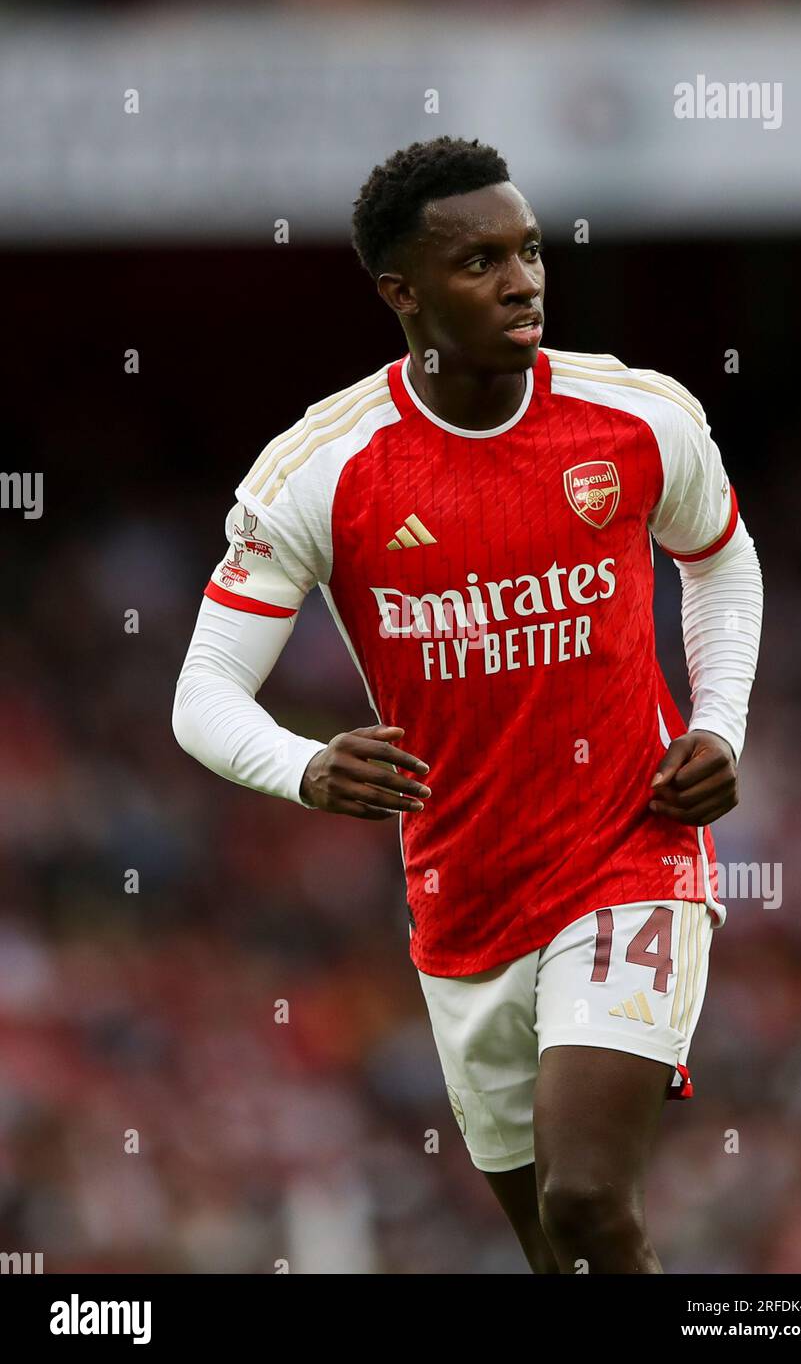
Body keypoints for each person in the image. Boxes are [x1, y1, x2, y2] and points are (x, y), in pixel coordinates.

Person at [172, 136, 763, 1274]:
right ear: (401, 291)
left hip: (626, 849)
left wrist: (717, 718)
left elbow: (720, 561)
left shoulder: (635, 418)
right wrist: (301, 765)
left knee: (590, 1195)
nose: (521, 279)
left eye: (530, 250)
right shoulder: (322, 470)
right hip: (462, 900)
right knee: (554, 1243)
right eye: (480, 260)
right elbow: (202, 689)